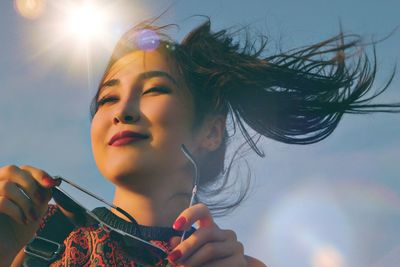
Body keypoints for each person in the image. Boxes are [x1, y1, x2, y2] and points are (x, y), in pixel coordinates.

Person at [0, 17, 399, 266]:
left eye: (154, 89)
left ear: (210, 131)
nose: (123, 111)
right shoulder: (35, 238)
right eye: (107, 98)